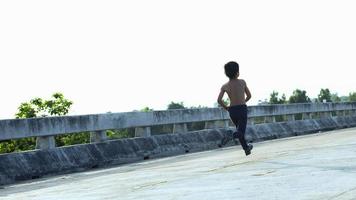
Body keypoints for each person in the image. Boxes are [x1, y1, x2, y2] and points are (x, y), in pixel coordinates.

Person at [217, 61, 253, 156]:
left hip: (232, 111)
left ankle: (246, 148)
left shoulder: (225, 86)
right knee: (240, 131)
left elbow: (219, 100)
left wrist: (226, 108)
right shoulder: (242, 82)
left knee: (239, 130)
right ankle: (230, 135)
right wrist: (243, 101)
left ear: (226, 73)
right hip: (241, 109)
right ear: (237, 72)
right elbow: (249, 96)